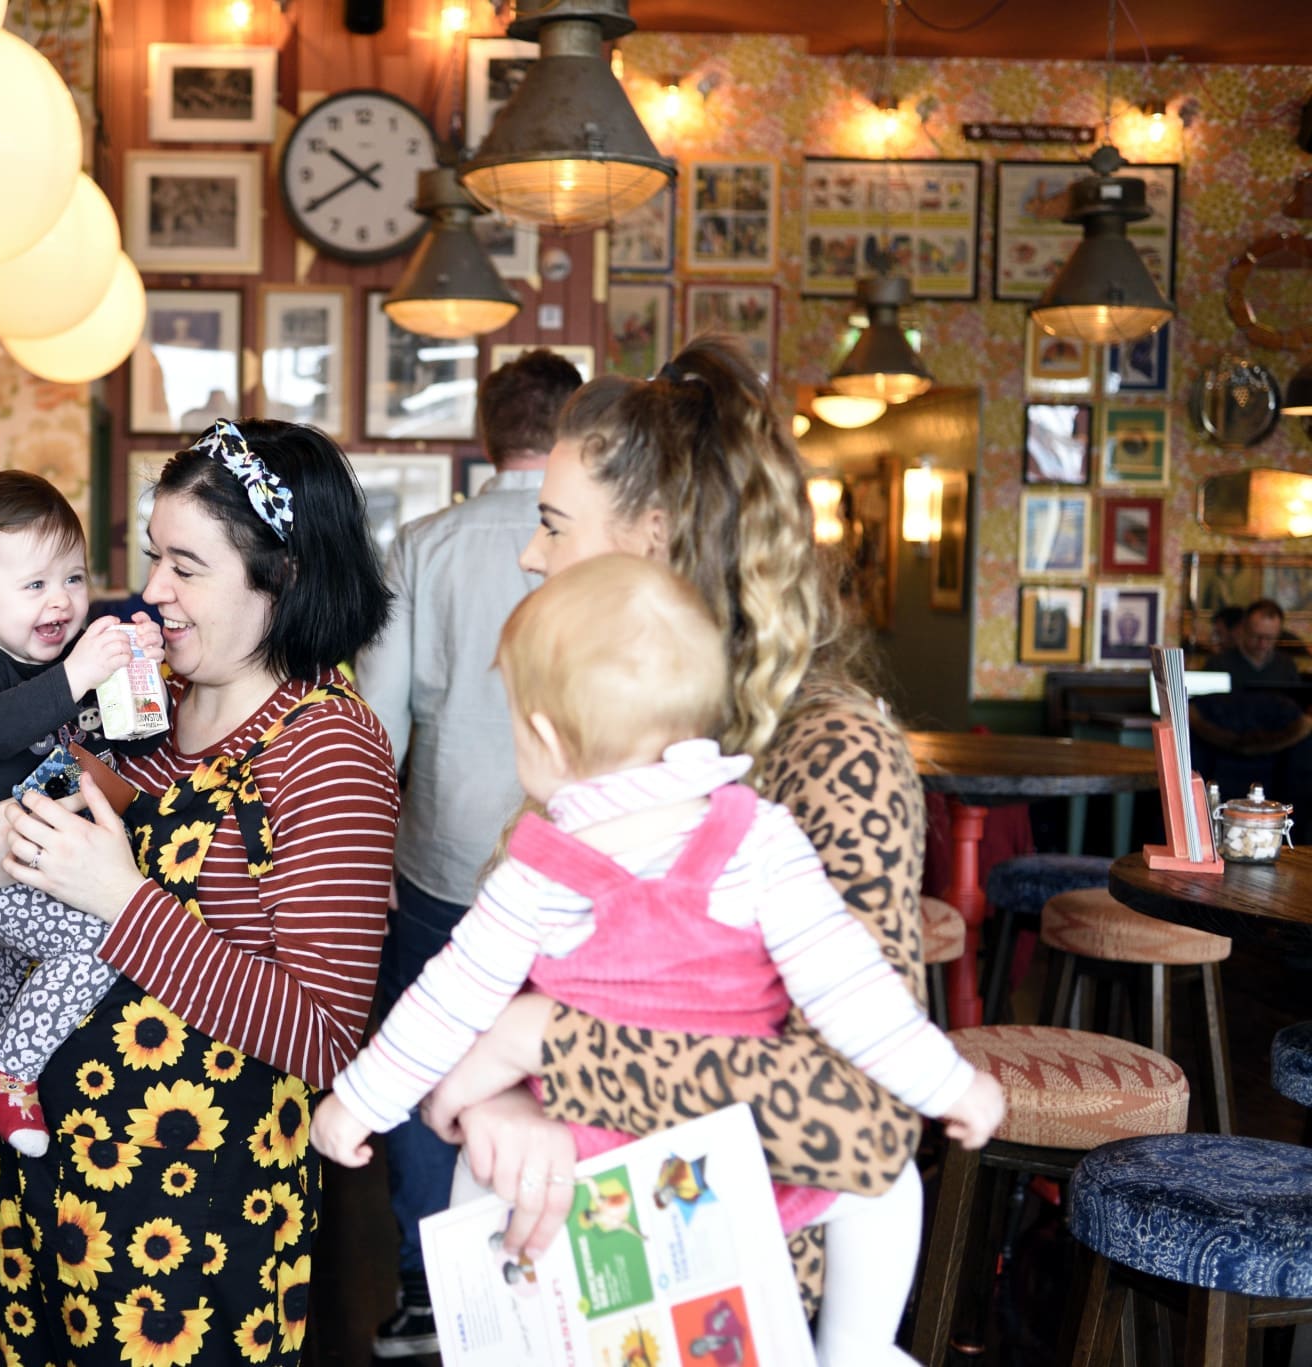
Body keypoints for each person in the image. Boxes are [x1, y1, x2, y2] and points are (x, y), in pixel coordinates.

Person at [314, 555, 1003, 1366]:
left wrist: (356, 1103)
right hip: (742, 1144)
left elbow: (446, 1004)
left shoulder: (537, 872)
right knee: (887, 1185)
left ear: (541, 738)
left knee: (486, 1182)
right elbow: (856, 993)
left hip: (586, 1150)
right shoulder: (758, 838)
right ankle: (854, 1350)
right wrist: (952, 1083)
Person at [414, 338, 939, 1332]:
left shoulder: (831, 752)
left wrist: (540, 1046)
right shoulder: (605, 730)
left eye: (554, 525)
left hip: (733, 1291)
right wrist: (503, 1098)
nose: (530, 554)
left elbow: (858, 1117)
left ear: (651, 538)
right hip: (575, 1253)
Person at [0, 419, 398, 1365]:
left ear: (286, 573)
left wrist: (125, 901)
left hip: (190, 1229)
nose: (151, 591)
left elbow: (324, 1034)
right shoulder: (146, 704)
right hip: (54, 1186)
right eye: (153, 556)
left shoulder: (327, 749)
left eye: (187, 564)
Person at [350, 346, 581, 1357]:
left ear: (486, 432)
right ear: (571, 433)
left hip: (442, 853)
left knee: (422, 1052)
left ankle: (421, 1289)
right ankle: (540, 1290)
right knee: (549, 1066)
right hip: (571, 857)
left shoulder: (422, 543)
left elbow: (375, 726)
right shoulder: (603, 543)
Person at [0, 471, 165, 1199]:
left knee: (11, 992)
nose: (60, 600)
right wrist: (79, 674)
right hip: (7, 870)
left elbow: (134, 744)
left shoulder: (72, 665)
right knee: (103, 942)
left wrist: (137, 670)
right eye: (33, 585)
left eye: (72, 576)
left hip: (60, 860)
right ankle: (8, 1074)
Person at [1192, 598, 1312, 805]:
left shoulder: (1286, 666)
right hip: (1222, 757)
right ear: (1243, 631)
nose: (1262, 644)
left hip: (1278, 762)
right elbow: (1204, 713)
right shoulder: (1219, 663)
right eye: (1257, 636)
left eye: (1270, 638)